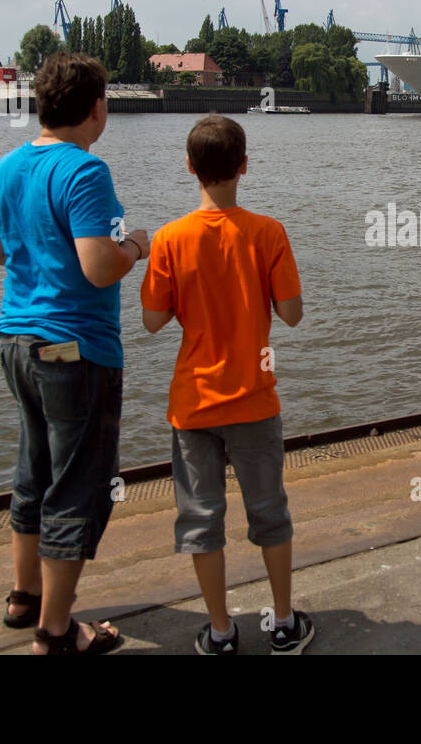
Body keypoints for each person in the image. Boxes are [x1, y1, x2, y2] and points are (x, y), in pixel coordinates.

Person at [0, 52, 149, 654]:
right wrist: (135, 245)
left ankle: (22, 598)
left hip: (14, 343)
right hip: (74, 349)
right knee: (78, 485)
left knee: (35, 472)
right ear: (96, 107)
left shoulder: (3, 169)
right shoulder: (85, 171)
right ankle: (57, 633)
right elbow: (99, 267)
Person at [141, 113, 312, 655]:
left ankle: (220, 631)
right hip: (255, 399)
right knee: (269, 510)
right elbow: (291, 314)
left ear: (190, 169)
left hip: (194, 403)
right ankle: (283, 622)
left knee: (201, 518)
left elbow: (151, 321)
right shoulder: (269, 233)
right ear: (244, 166)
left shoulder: (169, 238)